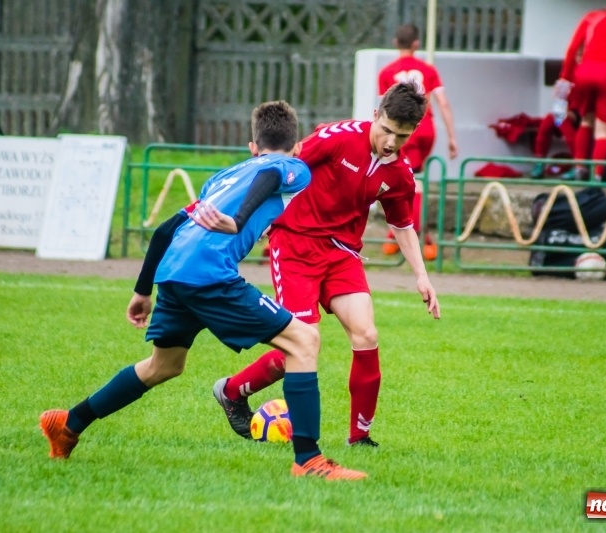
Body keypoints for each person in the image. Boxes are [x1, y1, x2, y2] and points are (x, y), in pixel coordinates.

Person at [39, 101, 366, 481]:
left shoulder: (223, 178)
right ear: (295, 147)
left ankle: (69, 424)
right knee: (305, 340)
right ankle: (309, 460)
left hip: (175, 273)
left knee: (163, 366)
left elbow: (165, 230)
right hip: (209, 274)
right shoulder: (292, 165)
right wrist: (238, 221)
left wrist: (143, 290)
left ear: (252, 146)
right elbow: (273, 173)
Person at [207, 81, 441, 448]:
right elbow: (279, 167)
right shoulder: (337, 138)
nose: (392, 142)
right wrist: (247, 217)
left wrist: (422, 276)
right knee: (302, 345)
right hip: (296, 245)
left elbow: (402, 224)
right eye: (387, 131)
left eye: (403, 136)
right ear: (375, 115)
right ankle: (232, 391)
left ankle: (359, 437)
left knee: (366, 335)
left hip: (342, 254)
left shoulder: (399, 173)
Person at [377, 23, 458, 261]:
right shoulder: (428, 70)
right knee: (414, 177)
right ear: (416, 44)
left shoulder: (386, 73)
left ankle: (411, 235)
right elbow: (442, 102)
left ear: (395, 43)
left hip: (403, 130)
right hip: (426, 128)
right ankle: (403, 232)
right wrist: (452, 137)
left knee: (401, 178)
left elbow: (386, 109)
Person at [555, 0, 606, 182]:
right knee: (603, 130)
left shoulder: (590, 17)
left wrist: (565, 79)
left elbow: (572, 50)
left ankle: (579, 168)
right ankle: (597, 176)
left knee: (586, 120)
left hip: (584, 71)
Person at [530, 85, 583, 179]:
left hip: (586, 118)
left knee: (560, 118)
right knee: (550, 119)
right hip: (566, 117)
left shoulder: (586, 79)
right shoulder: (567, 81)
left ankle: (578, 166)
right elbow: (561, 106)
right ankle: (540, 162)